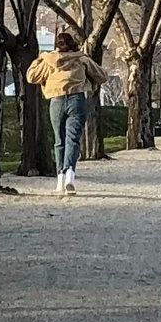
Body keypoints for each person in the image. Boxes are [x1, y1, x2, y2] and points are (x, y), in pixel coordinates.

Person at [24, 22, 104, 195]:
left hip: (56, 100)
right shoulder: (81, 59)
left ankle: (60, 179)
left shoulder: (49, 61)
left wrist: (40, 58)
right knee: (73, 140)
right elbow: (102, 76)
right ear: (73, 45)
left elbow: (31, 77)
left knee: (59, 140)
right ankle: (70, 175)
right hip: (77, 100)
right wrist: (89, 80)